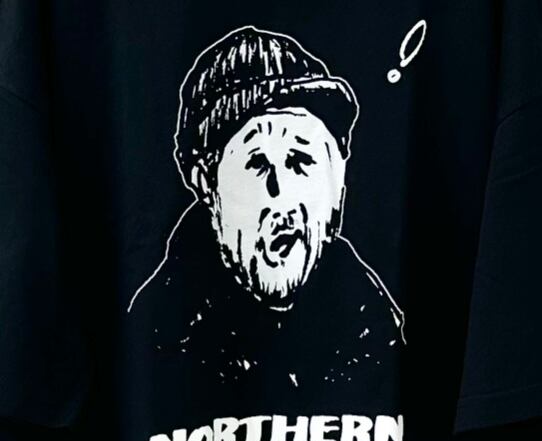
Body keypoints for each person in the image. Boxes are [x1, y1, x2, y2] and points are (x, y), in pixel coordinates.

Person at [128, 26, 405, 392]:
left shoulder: (372, 321)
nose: (281, 194)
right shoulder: (159, 334)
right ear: (205, 183)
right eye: (257, 164)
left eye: (301, 160)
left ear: (337, 181)